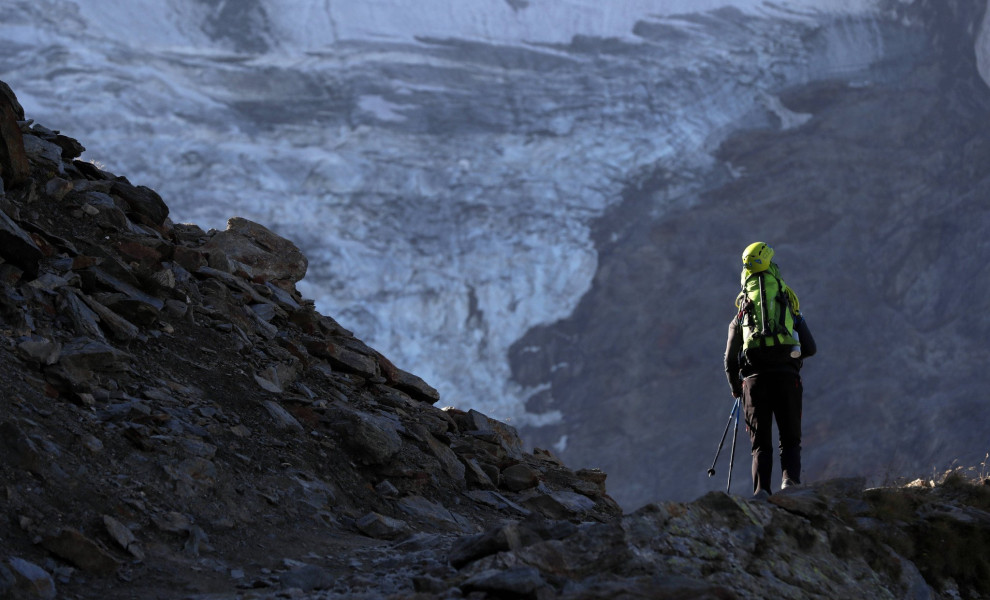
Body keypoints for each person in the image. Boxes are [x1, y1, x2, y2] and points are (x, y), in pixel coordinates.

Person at [723, 242, 816, 496]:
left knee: (760, 445)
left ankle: (762, 492)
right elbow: (810, 347)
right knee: (790, 438)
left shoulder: (741, 312)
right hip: (787, 377)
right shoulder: (787, 303)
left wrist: (736, 388)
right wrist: (790, 358)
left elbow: (730, 359)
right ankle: (790, 483)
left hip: (754, 382)